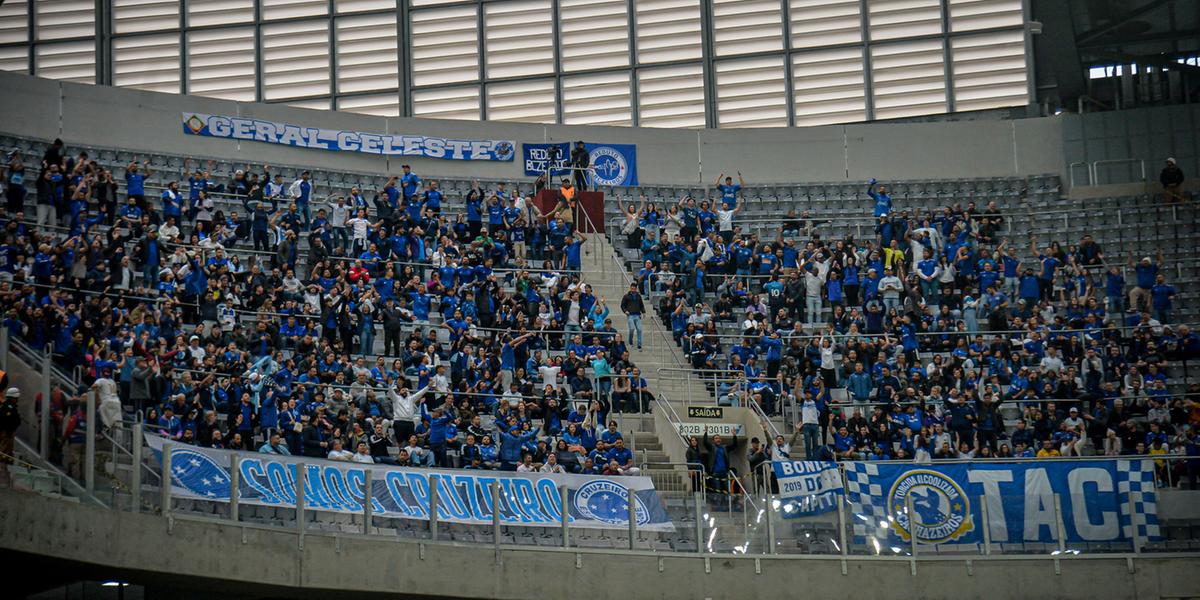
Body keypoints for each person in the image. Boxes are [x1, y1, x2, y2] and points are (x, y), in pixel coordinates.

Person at [0, 388, 20, 479]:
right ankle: (2, 471)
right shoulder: (9, 406)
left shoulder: (9, 405)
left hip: (8, 432)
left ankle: (5, 470)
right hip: (7, 432)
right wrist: (8, 431)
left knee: (7, 451)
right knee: (5, 450)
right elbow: (7, 420)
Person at [620, 283, 646, 350]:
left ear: (636, 289)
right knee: (632, 329)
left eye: (634, 288)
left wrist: (643, 312)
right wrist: (625, 311)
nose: (633, 289)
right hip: (630, 315)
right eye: (632, 288)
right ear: (630, 288)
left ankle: (639, 344)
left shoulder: (638, 296)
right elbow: (622, 305)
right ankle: (630, 341)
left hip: (637, 315)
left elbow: (641, 305)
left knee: (639, 329)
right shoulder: (626, 296)